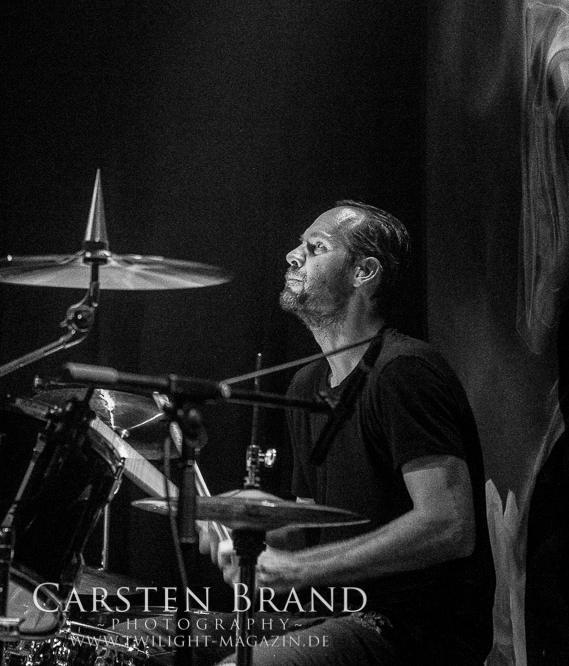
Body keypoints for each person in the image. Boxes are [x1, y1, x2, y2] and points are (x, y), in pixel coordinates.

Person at [201, 201, 495, 665]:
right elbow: (310, 528)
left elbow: (449, 525)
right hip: (330, 615)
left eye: (315, 247)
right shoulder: (306, 386)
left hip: (411, 631)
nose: (293, 256)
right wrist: (250, 534)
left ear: (364, 272)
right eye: (299, 245)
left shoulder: (404, 372)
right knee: (145, 637)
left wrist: (298, 569)